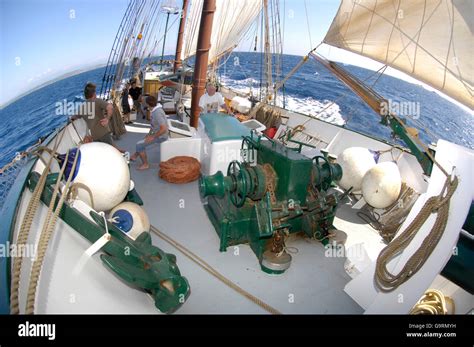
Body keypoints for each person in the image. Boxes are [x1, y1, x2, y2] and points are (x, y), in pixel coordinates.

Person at [130, 96, 168, 170]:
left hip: (162, 136)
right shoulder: (155, 110)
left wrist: (152, 137)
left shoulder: (157, 113)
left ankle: (145, 164)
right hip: (156, 133)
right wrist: (149, 134)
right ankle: (135, 156)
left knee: (139, 145)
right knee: (143, 141)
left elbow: (163, 128)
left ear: (148, 104)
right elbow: (154, 125)